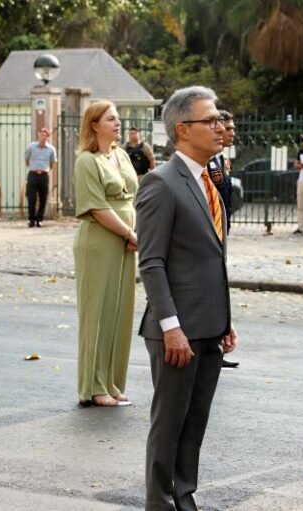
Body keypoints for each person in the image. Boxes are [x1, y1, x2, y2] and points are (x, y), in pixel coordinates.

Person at [136, 85, 238, 511]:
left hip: (209, 323)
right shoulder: (162, 183)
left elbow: (210, 258)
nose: (220, 127)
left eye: (219, 120)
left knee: (195, 421)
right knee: (170, 422)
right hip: (176, 328)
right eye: (210, 120)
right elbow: (152, 263)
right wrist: (171, 326)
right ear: (182, 129)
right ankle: (160, 502)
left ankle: (184, 494)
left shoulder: (210, 178)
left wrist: (225, 319)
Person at [73, 100, 139, 407]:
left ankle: (112, 381)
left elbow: (130, 198)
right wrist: (128, 232)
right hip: (100, 242)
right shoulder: (86, 160)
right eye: (111, 119)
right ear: (94, 124)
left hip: (125, 242)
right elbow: (97, 208)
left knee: (119, 312)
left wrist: (131, 233)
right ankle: (93, 385)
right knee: (97, 313)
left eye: (118, 118)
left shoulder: (122, 155)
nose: (118, 123)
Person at [207, 109, 238, 368]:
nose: (231, 133)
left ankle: (218, 343)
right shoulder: (208, 161)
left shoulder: (222, 160)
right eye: (228, 129)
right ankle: (213, 344)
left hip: (222, 229)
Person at [24, 127, 57, 227]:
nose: (43, 137)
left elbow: (52, 163)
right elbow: (26, 159)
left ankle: (39, 219)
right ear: (39, 134)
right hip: (33, 174)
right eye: (42, 134)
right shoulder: (31, 147)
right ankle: (31, 219)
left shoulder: (51, 149)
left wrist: (45, 170)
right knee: (31, 197)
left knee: (43, 197)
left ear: (48, 137)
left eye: (46, 135)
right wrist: (32, 167)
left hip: (44, 174)